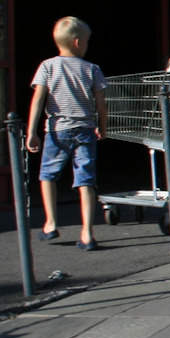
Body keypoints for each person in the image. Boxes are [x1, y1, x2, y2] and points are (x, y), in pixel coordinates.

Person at [25, 16, 109, 250]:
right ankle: (87, 233)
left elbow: (38, 99)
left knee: (48, 175)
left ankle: (50, 223)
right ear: (77, 42)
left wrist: (31, 131)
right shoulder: (93, 69)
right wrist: (102, 127)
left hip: (57, 130)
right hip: (85, 130)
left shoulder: (47, 66)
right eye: (87, 41)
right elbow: (101, 104)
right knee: (85, 179)